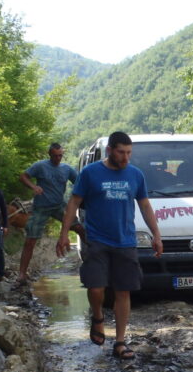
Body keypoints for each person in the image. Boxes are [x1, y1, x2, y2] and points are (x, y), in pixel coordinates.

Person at [56, 131, 163, 359]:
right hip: (96, 240)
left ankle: (121, 342)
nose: (125, 158)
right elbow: (74, 202)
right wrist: (64, 233)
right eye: (121, 152)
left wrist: (156, 235)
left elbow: (145, 206)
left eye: (129, 153)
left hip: (125, 241)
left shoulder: (135, 175)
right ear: (109, 151)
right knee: (96, 288)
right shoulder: (90, 173)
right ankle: (97, 317)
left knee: (123, 291)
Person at [17, 143, 86, 284]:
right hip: (41, 207)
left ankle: (94, 256)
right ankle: (21, 274)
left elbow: (80, 183)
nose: (58, 158)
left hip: (59, 205)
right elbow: (23, 176)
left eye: (60, 155)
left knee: (79, 227)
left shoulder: (66, 169)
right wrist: (33, 186)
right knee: (30, 240)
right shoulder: (40, 166)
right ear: (50, 154)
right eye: (55, 155)